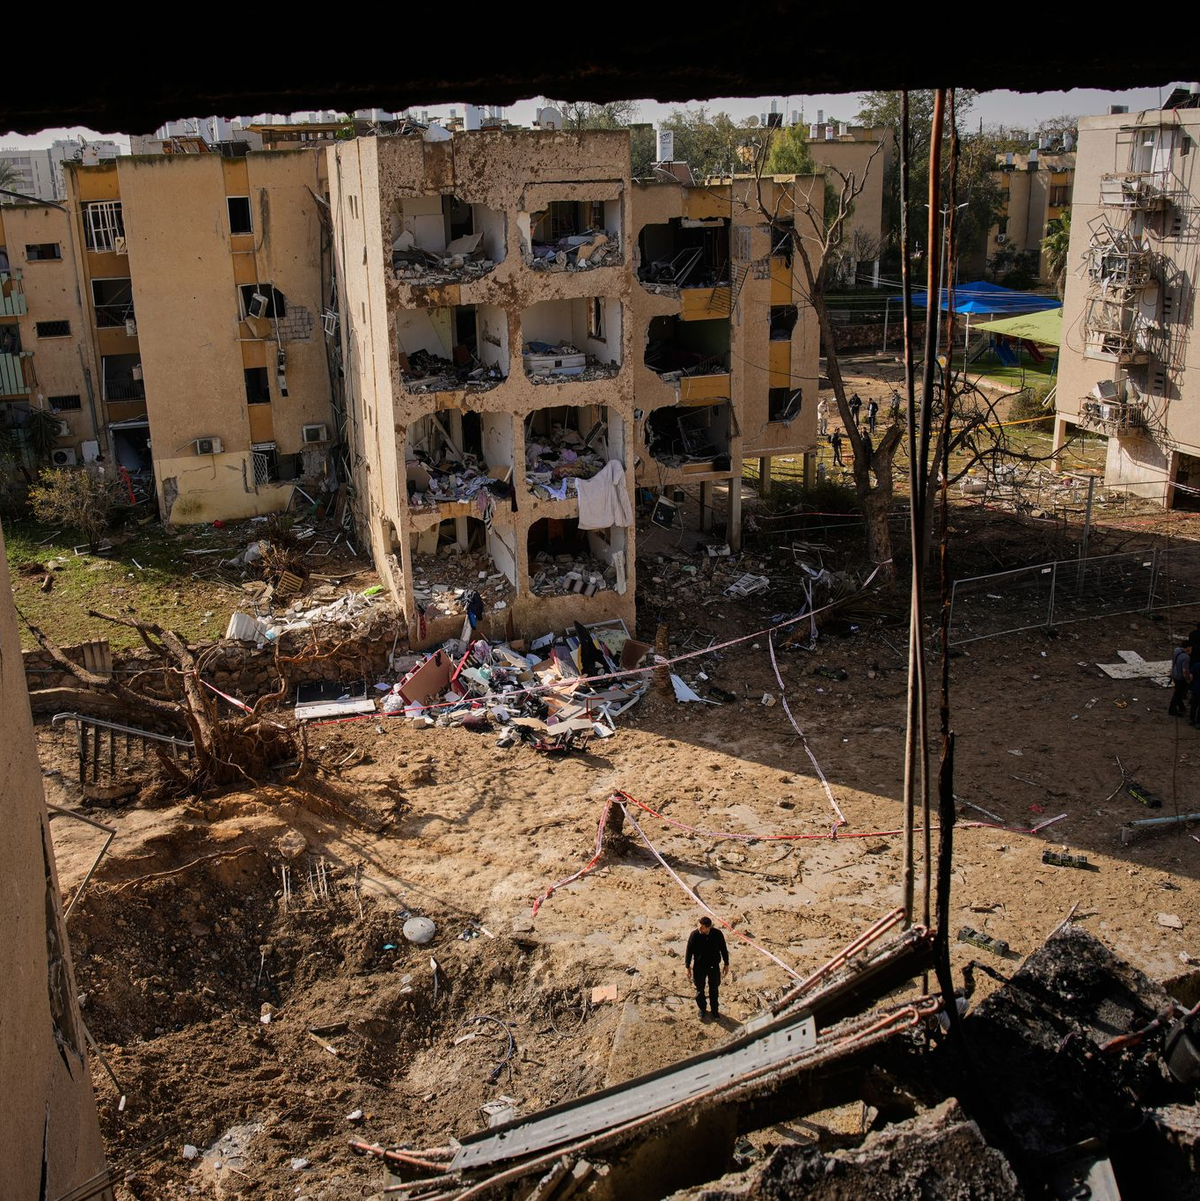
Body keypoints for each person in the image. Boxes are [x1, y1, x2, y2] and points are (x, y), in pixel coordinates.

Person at [685, 915, 729, 1019]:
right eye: (699, 926)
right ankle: (702, 1009)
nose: (699, 929)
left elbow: (723, 949)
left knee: (714, 989)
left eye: (702, 928)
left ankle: (715, 1011)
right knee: (699, 990)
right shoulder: (694, 935)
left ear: (708, 927)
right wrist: (687, 967)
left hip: (713, 966)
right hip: (699, 967)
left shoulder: (717, 934)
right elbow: (689, 951)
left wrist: (726, 964)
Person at [1169, 640, 1192, 717]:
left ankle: (1181, 707)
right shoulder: (1186, 657)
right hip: (1180, 678)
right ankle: (1172, 710)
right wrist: (1188, 680)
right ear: (1188, 647)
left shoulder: (1176, 650)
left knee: (1178, 693)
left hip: (1175, 674)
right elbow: (1185, 671)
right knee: (1178, 694)